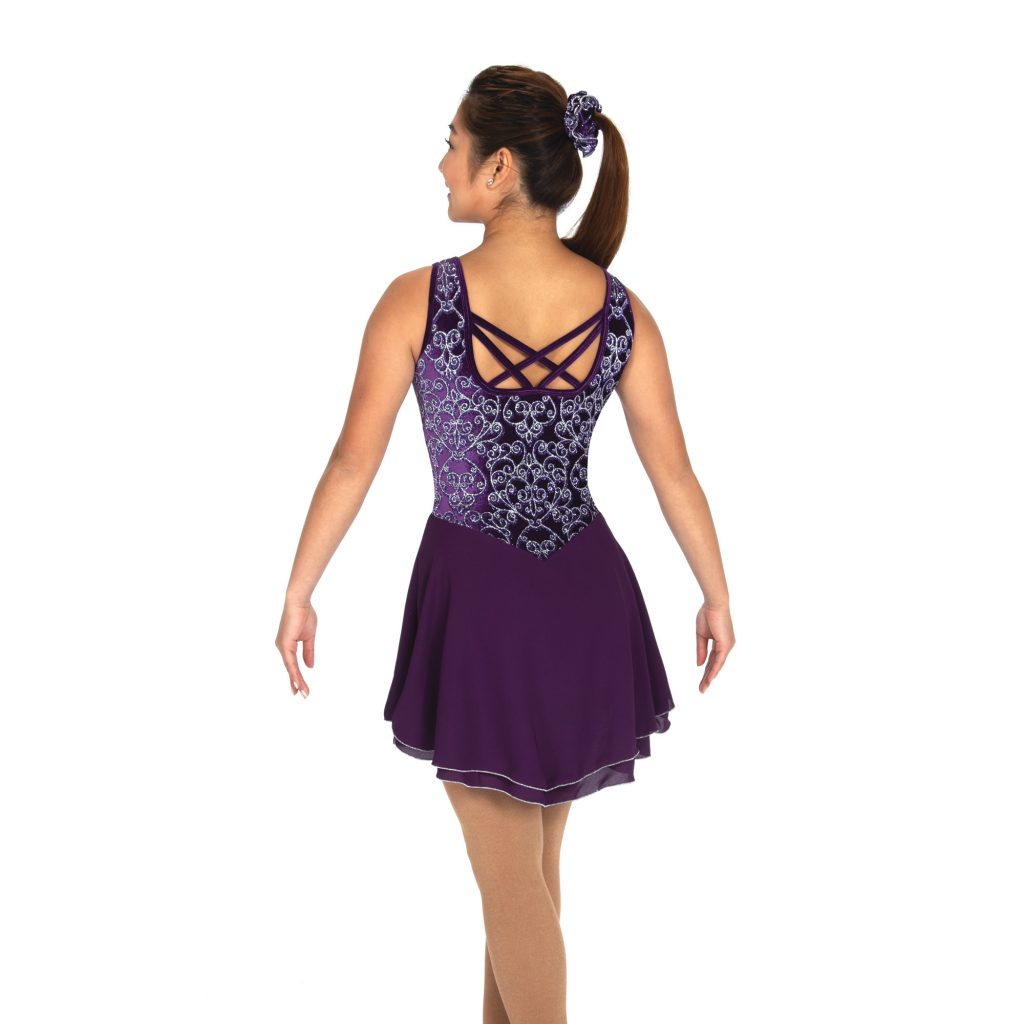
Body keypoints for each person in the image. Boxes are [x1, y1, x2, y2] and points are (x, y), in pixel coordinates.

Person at [276, 64, 735, 1024]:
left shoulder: (419, 299)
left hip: (480, 601)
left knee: (510, 879)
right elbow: (675, 471)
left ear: (498, 169)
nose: (441, 163)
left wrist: (299, 590)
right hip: (584, 594)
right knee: (529, 867)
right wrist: (716, 594)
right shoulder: (619, 308)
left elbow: (353, 460)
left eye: (451, 144)